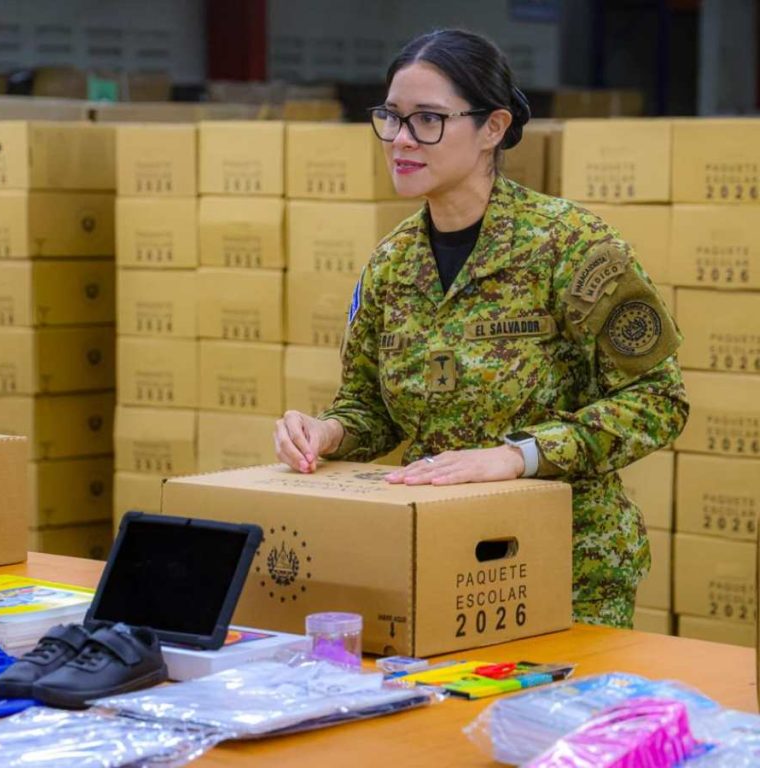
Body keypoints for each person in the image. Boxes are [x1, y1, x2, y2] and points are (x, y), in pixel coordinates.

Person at [273, 28, 688, 629]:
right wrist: (329, 432)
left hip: (566, 570)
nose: (400, 140)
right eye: (390, 117)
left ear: (493, 128)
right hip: (438, 562)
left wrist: (519, 456)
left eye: (428, 120)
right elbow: (370, 408)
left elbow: (658, 400)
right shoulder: (391, 265)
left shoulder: (569, 246)